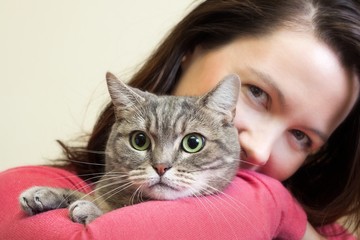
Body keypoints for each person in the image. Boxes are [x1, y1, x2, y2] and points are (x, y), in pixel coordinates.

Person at [0, 0, 359, 239]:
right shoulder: (27, 186)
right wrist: (274, 203)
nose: (258, 151)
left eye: (301, 136)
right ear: (194, 49)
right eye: (257, 92)